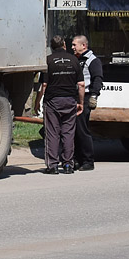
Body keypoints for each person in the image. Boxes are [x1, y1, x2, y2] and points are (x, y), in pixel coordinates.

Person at [34, 35, 84, 174]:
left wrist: (37, 102)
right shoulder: (74, 60)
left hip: (53, 101)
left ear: (51, 47)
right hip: (70, 100)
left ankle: (53, 166)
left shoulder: (48, 61)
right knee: (68, 133)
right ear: (64, 45)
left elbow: (44, 85)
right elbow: (81, 84)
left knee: (52, 133)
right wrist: (81, 103)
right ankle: (68, 165)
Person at [72, 34, 104, 171]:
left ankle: (88, 161)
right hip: (74, 97)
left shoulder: (92, 60)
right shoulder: (76, 59)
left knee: (82, 130)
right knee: (73, 130)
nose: (72, 47)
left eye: (75, 45)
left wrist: (94, 96)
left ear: (83, 45)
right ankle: (77, 159)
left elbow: (98, 79)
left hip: (85, 97)